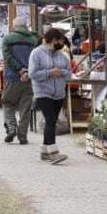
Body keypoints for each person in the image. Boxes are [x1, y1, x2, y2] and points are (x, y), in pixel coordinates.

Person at [28, 28, 71, 164]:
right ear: (53, 40)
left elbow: (69, 73)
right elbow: (33, 74)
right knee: (51, 119)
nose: (62, 44)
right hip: (42, 92)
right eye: (60, 41)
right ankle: (53, 152)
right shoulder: (36, 53)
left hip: (59, 93)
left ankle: (44, 152)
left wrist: (61, 72)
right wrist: (50, 72)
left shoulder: (62, 56)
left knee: (50, 121)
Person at [1, 17, 39, 145]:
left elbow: (7, 56)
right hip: (29, 78)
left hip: (12, 77)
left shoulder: (8, 38)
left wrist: (19, 69)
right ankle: (23, 136)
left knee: (7, 103)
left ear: (15, 26)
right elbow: (37, 59)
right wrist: (27, 71)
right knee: (25, 107)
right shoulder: (34, 40)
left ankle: (11, 129)